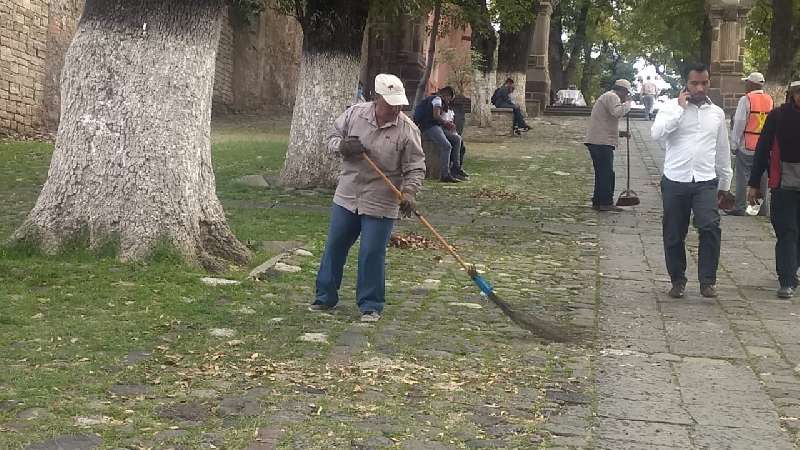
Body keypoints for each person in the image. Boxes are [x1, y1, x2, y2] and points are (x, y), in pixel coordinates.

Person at [310, 73, 426, 322]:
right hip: (348, 193)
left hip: (382, 199)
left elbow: (415, 167)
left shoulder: (408, 130)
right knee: (335, 246)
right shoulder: (354, 114)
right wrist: (342, 146)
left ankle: (371, 305)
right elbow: (329, 139)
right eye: (390, 104)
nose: (395, 109)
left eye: (399, 104)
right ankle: (324, 296)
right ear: (376, 98)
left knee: (372, 252)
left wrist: (409, 192)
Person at [651, 63, 733, 299]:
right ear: (686, 84)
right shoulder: (670, 108)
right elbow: (656, 134)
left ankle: (707, 281)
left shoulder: (716, 113)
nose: (699, 87)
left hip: (705, 180)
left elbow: (722, 149)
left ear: (709, 83)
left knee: (710, 227)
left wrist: (725, 184)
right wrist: (679, 109)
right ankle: (678, 279)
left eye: (704, 83)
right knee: (674, 233)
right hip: (676, 179)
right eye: (694, 83)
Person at [747, 80, 800, 298]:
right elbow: (762, 150)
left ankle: (792, 270)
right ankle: (786, 280)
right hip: (783, 184)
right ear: (792, 94)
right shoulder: (778, 117)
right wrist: (753, 183)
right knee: (787, 231)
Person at [725, 72, 773, 216]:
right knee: (762, 179)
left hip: (747, 145)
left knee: (742, 178)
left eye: (747, 83)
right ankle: (758, 209)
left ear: (752, 84)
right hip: (764, 147)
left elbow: (739, 123)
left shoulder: (746, 100)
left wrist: (734, 144)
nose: (745, 85)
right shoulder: (769, 100)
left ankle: (740, 207)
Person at [584, 79, 633, 212]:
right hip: (601, 142)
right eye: (626, 93)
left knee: (602, 173)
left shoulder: (608, 96)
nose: (626, 96)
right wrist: (628, 104)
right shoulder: (612, 96)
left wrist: (621, 133)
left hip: (598, 140)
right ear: (622, 90)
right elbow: (617, 113)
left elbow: (605, 121)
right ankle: (606, 202)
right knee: (606, 174)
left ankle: (598, 201)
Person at [413, 86, 467, 182]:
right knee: (446, 146)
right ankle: (445, 174)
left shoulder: (436, 100)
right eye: (450, 99)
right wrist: (446, 123)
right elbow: (436, 115)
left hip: (436, 126)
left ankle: (456, 167)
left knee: (457, 139)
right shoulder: (437, 99)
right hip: (429, 127)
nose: (449, 102)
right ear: (446, 95)